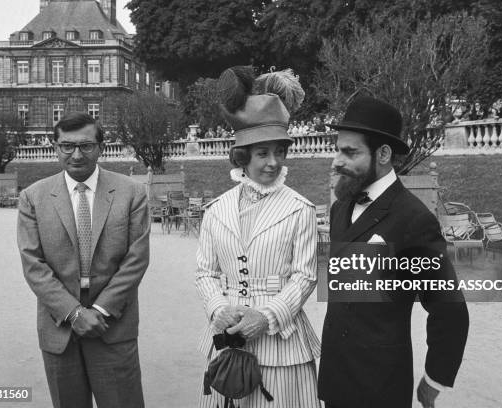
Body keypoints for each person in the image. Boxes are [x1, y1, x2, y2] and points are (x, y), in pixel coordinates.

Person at [317, 96, 469, 408]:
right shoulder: (340, 208)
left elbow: (449, 309)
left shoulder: (414, 220)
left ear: (383, 154)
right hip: (334, 381)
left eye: (350, 152)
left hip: (380, 388)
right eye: (337, 149)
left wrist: (434, 378)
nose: (336, 160)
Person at [196, 66, 320, 408]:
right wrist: (218, 309)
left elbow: (305, 276)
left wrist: (265, 317)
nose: (272, 163)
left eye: (279, 152)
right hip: (226, 339)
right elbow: (205, 273)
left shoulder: (300, 209)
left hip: (283, 346)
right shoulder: (215, 210)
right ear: (243, 156)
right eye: (262, 153)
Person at [17, 113, 150, 408]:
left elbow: (136, 259)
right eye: (67, 146)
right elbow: (33, 264)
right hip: (59, 325)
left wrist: (100, 311)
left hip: (112, 324)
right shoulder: (33, 197)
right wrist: (74, 313)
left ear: (101, 147)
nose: (76, 154)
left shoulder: (132, 193)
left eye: (86, 146)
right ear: (55, 147)